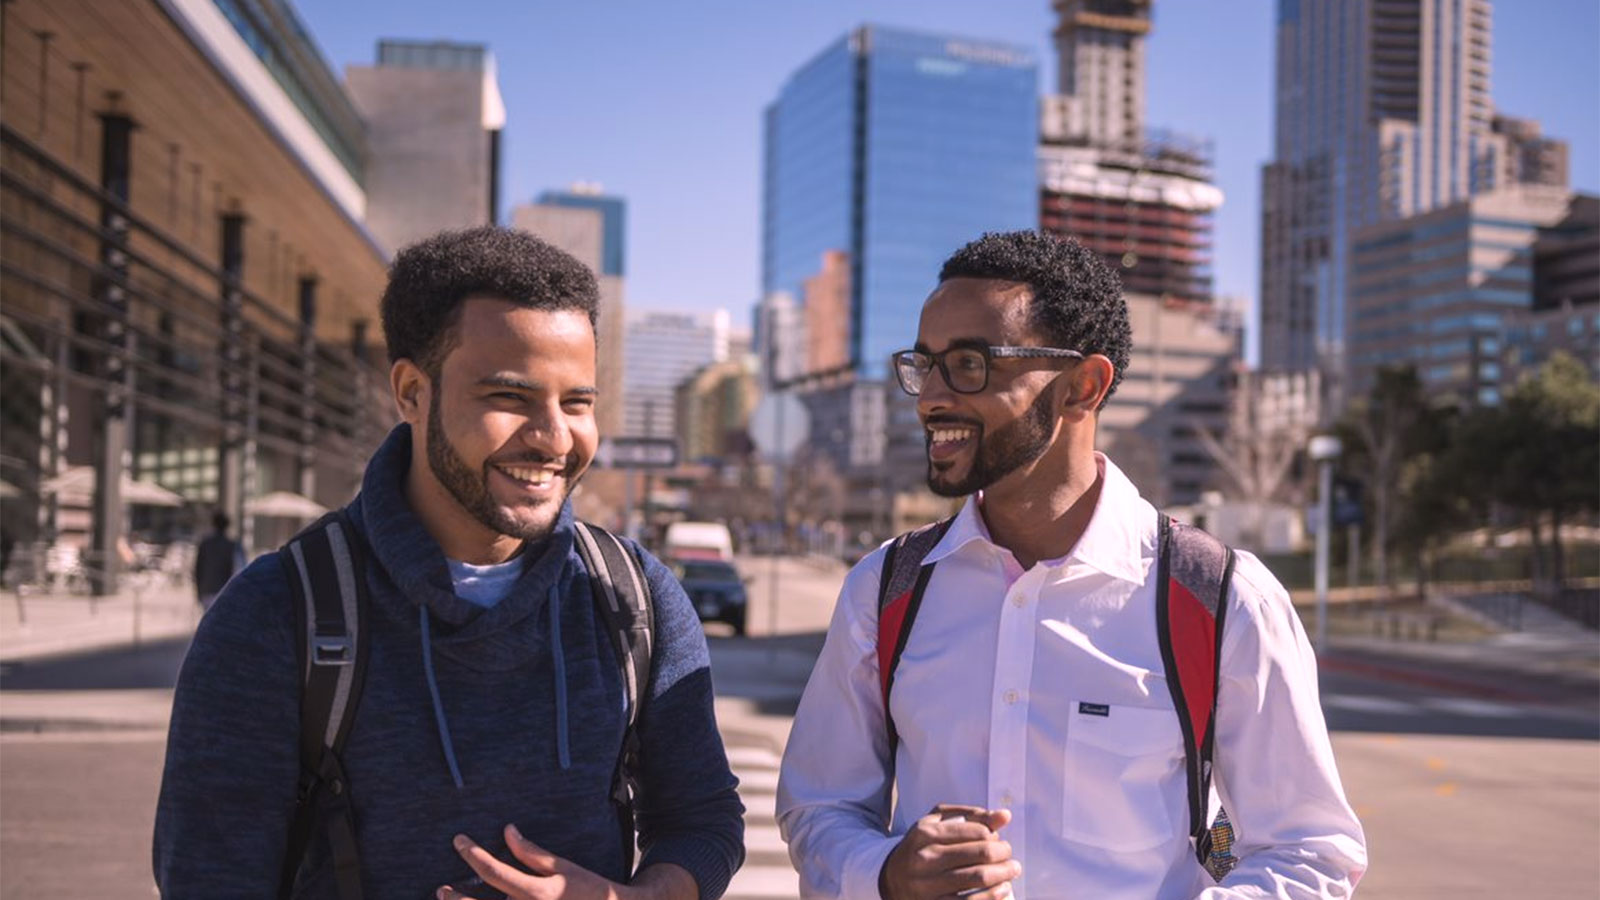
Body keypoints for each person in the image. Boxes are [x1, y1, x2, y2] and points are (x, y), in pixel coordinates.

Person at [154, 226, 745, 898]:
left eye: (577, 402)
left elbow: (702, 820)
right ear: (411, 392)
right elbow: (210, 877)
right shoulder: (275, 613)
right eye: (509, 398)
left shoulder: (634, 597)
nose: (555, 437)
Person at [776, 231, 1366, 899]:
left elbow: (1308, 854)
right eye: (924, 363)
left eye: (969, 364)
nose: (930, 397)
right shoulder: (885, 590)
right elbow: (817, 807)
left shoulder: (1222, 600)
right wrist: (884, 874)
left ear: (1083, 386)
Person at [192, 512, 243, 610]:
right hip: (224, 590)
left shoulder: (205, 544)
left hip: (207, 589)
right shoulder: (231, 546)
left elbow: (198, 569)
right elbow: (236, 570)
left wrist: (198, 590)